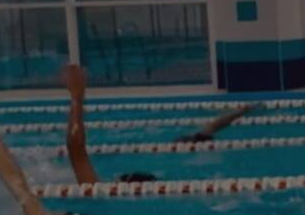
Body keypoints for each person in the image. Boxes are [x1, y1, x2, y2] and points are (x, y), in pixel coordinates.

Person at [60, 62, 251, 186]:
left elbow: (76, 150)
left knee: (203, 134)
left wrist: (77, 96)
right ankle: (241, 111)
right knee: (203, 134)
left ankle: (240, 112)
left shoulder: (100, 193)